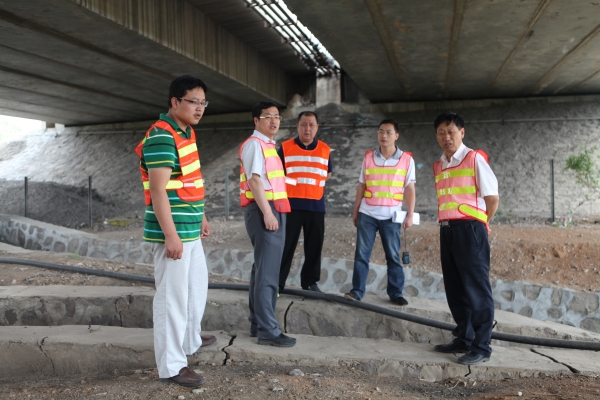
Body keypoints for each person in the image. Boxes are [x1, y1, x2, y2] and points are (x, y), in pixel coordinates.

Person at [134, 75, 215, 387]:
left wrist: (202, 216)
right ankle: (172, 366)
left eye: (203, 103)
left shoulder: (186, 132)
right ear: (175, 102)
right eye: (193, 102)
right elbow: (158, 190)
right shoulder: (161, 136)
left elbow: (189, 181)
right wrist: (170, 235)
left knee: (195, 289)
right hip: (174, 231)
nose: (199, 108)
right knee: (172, 298)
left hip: (190, 227)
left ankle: (190, 339)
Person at [431, 112, 499, 366]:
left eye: (451, 132)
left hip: (470, 229)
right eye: (441, 132)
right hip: (447, 229)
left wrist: (481, 223)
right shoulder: (439, 165)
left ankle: (481, 346)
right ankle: (464, 337)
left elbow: (492, 199)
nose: (446, 137)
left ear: (462, 132)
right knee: (455, 287)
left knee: (476, 288)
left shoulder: (474, 159)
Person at [239, 101, 296, 347]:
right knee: (268, 273)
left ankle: (257, 323)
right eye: (268, 116)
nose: (274, 121)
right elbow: (254, 181)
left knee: (262, 269)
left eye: (277, 117)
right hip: (265, 210)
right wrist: (267, 213)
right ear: (256, 120)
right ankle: (268, 331)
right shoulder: (255, 144)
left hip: (273, 209)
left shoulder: (268, 146)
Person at [344, 119, 415, 306]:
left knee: (393, 256)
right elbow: (361, 185)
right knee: (361, 255)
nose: (384, 135)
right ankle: (357, 291)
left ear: (396, 136)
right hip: (367, 213)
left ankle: (396, 293)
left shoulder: (407, 160)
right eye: (381, 131)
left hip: (391, 217)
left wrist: (410, 214)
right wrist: (356, 211)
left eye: (388, 132)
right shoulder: (368, 158)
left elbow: (410, 189)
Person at [278, 111, 332, 293]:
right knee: (286, 246)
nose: (307, 128)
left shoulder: (325, 149)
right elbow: (277, 174)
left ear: (317, 127)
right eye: (304, 124)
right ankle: (277, 283)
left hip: (316, 206)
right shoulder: (285, 147)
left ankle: (310, 282)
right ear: (297, 126)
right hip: (290, 206)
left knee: (314, 246)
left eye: (311, 125)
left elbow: (328, 173)